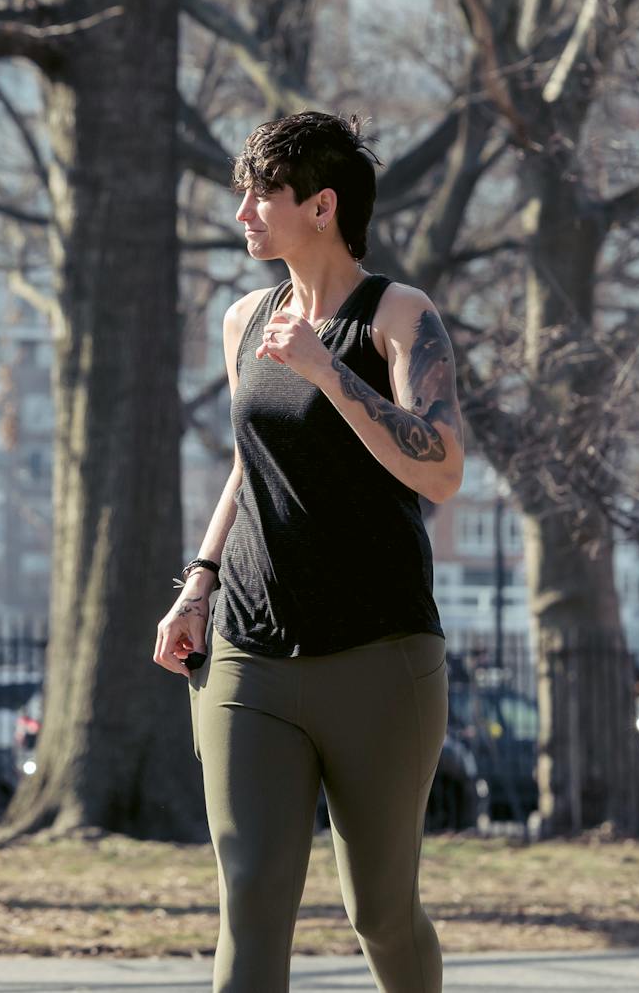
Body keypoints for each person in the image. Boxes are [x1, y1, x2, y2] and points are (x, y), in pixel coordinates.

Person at [153, 112, 465, 993]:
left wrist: (331, 372)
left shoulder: (399, 315)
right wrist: (198, 583)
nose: (243, 210)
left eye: (263, 193)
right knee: (250, 898)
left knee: (381, 913)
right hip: (249, 652)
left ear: (322, 205)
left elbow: (442, 470)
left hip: (381, 658)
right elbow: (248, 470)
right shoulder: (247, 319)